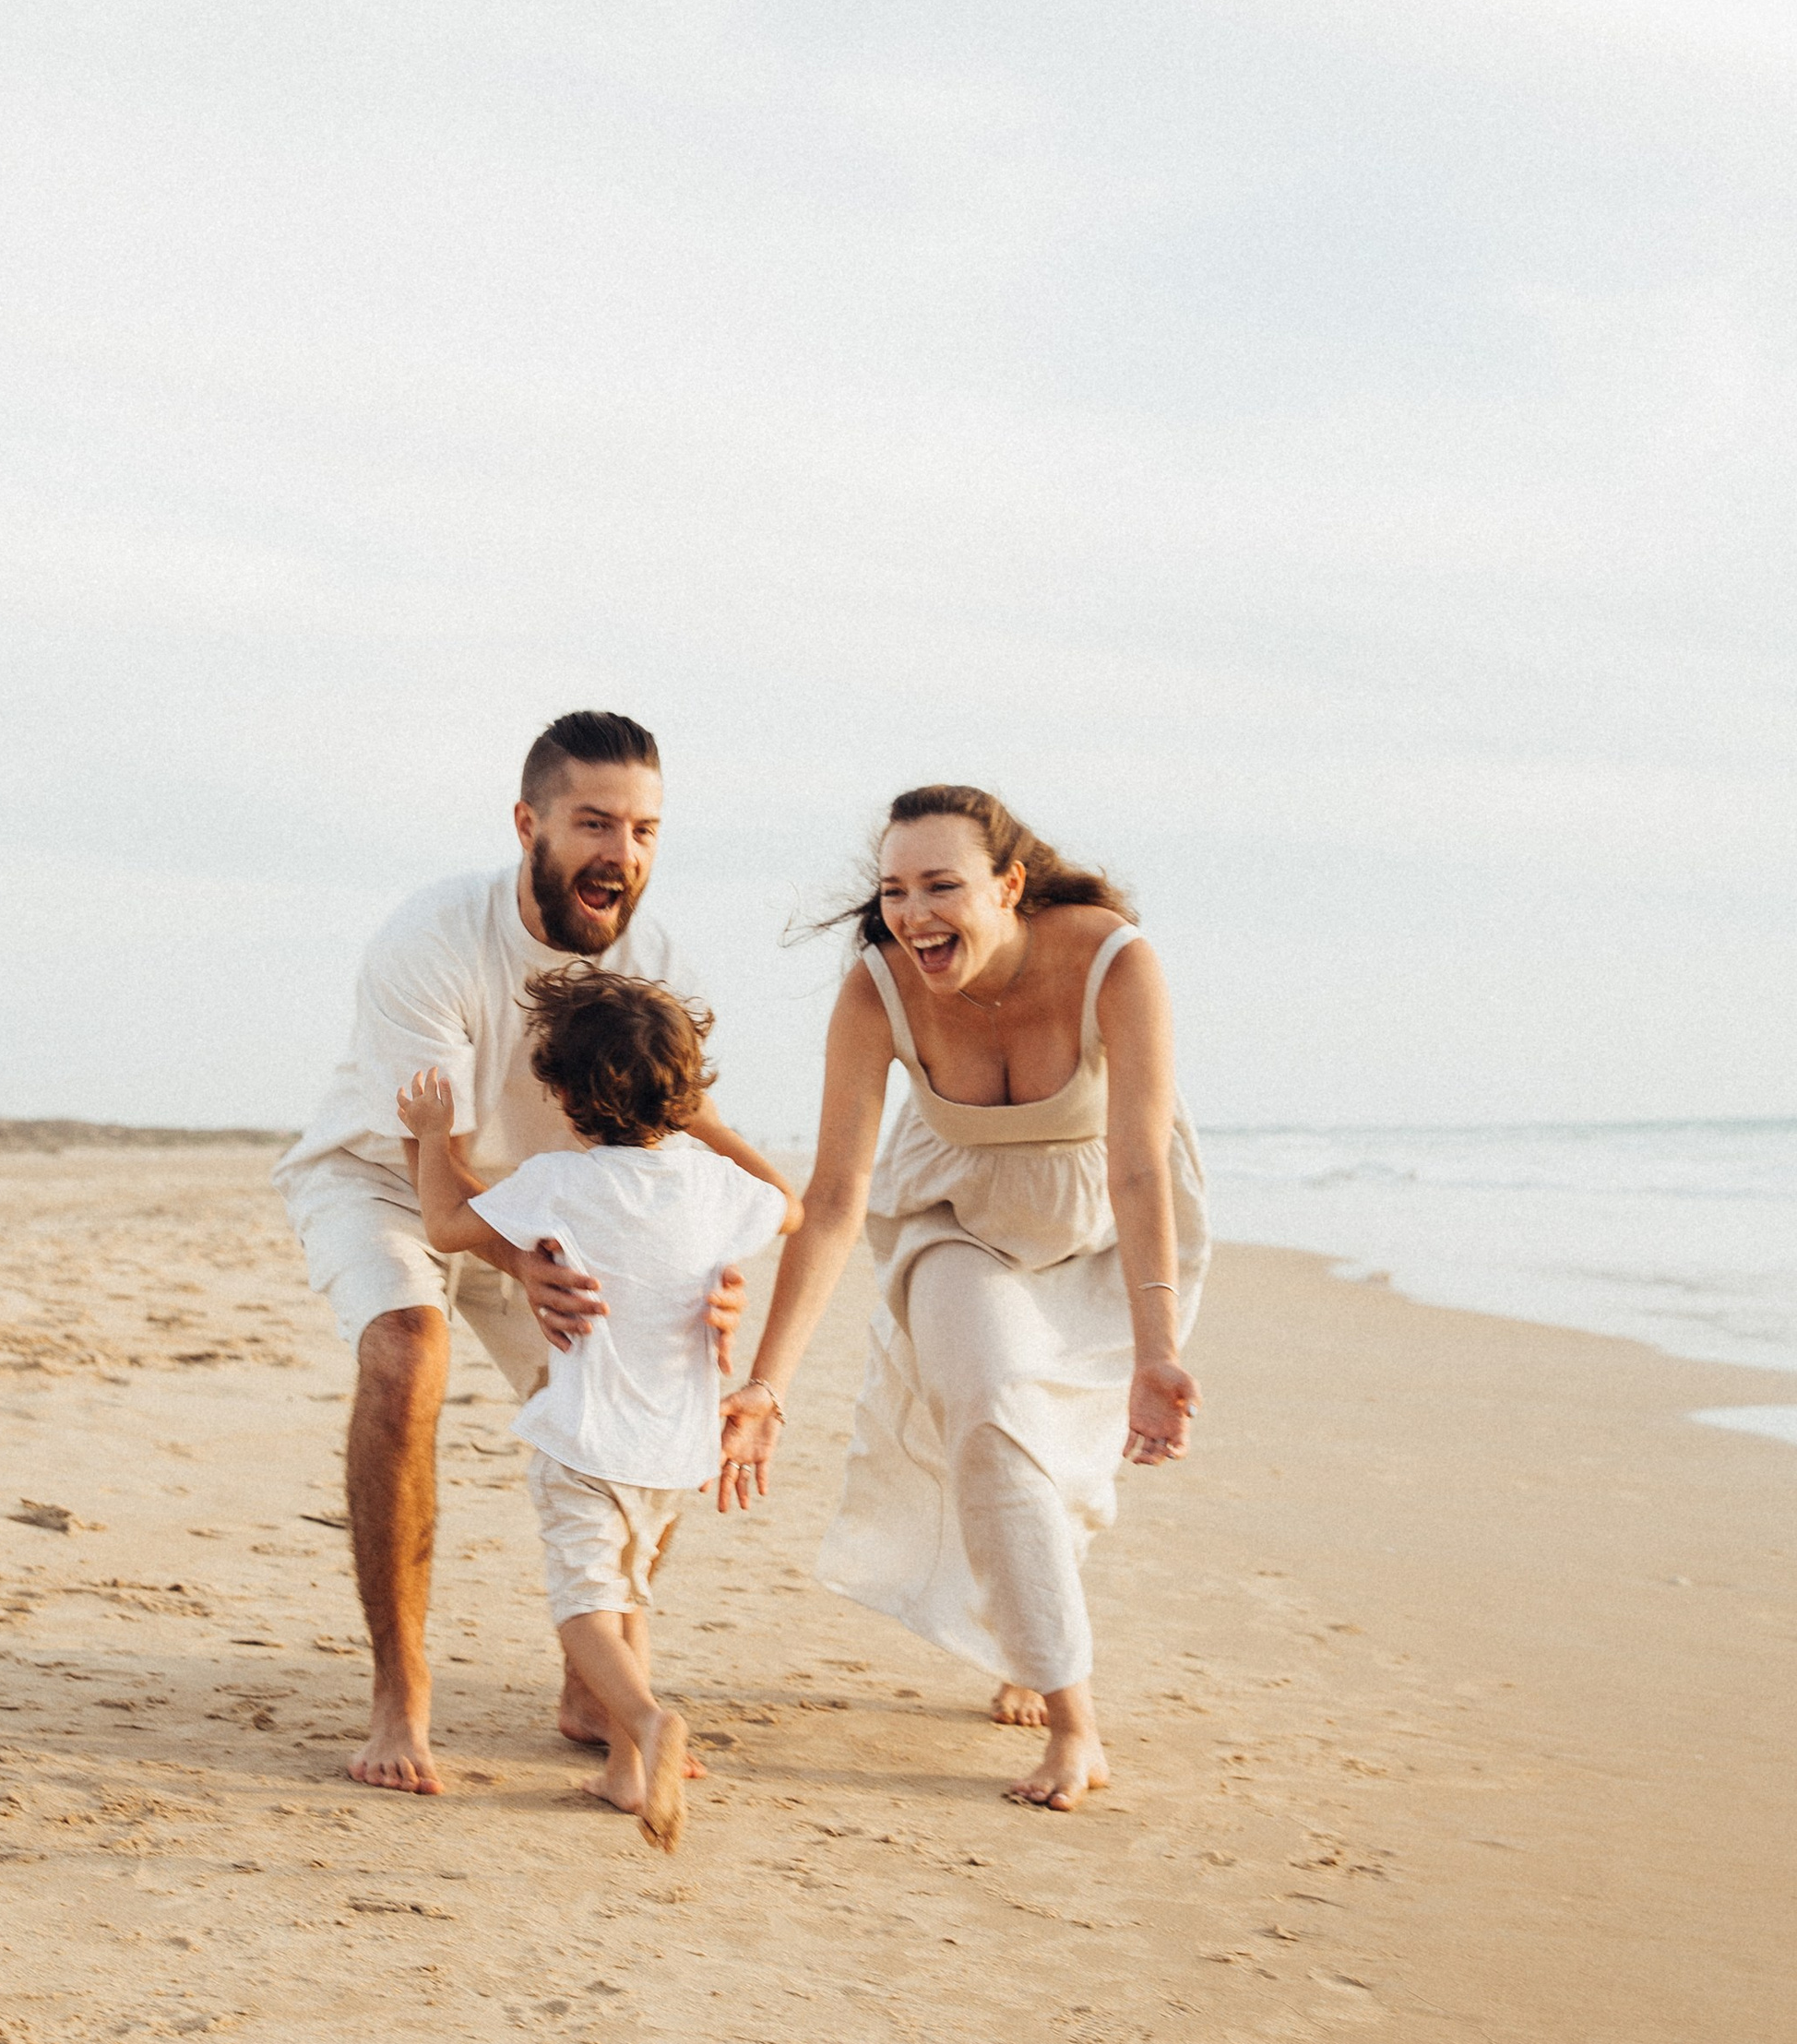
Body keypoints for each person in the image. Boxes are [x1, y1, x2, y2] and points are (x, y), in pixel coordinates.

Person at [274, 709, 795, 1796]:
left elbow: (673, 1141)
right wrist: (523, 1265)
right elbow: (447, 1176)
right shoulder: (433, 939)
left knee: (657, 1382)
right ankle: (399, 1703)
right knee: (409, 1355)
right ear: (529, 824)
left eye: (646, 830)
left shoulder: (656, 964)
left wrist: (699, 1270)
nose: (624, 854)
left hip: (553, 1207)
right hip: (395, 1177)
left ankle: (593, 1689)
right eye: (596, 823)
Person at [716, 784, 1208, 1812]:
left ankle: (1025, 1633)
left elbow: (1137, 1168)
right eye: (893, 891)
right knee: (989, 1415)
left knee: (1057, 1457)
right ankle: (1076, 1724)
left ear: (1008, 887)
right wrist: (767, 1385)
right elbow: (839, 1193)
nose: (912, 913)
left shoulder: (1114, 959)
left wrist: (1157, 1348)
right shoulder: (879, 989)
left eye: (941, 885)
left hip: (1104, 1234)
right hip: (957, 1222)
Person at [399, 967, 796, 1849]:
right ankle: (623, 1770)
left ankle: (651, 1724)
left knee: (583, 1604)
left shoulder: (561, 1183)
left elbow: (447, 1225)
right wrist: (708, 1128)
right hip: (676, 1448)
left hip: (587, 1443)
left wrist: (432, 1137)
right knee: (631, 1599)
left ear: (567, 1095)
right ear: (684, 1089)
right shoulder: (714, 1187)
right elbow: (793, 1206)